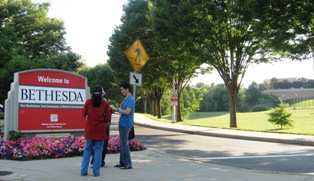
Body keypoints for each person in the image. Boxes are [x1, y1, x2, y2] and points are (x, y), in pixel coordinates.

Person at [81, 86, 111, 177]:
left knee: (87, 149)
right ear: (101, 94)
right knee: (98, 150)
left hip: (90, 129)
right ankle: (96, 172)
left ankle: (83, 171)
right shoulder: (105, 104)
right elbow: (108, 118)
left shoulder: (88, 102)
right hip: (100, 130)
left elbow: (83, 114)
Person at [110, 82, 135, 169]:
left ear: (127, 89)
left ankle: (128, 164)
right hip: (122, 123)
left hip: (126, 124)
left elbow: (127, 112)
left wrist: (116, 109)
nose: (121, 91)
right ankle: (122, 163)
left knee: (124, 144)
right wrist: (115, 110)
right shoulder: (126, 99)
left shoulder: (131, 99)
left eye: (122, 90)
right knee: (122, 144)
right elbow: (123, 110)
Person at [90, 91, 111, 167]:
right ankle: (99, 161)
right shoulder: (104, 103)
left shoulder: (90, 102)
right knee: (101, 146)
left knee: (90, 147)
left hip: (92, 127)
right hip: (103, 127)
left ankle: (93, 162)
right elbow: (108, 116)